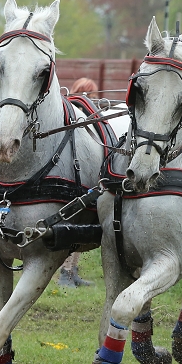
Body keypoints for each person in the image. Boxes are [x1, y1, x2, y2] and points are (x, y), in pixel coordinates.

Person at [57, 77, 99, 288]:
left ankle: (72, 272)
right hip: (72, 175)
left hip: (84, 173)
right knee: (71, 225)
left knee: (79, 225)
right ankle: (65, 273)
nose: (93, 99)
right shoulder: (72, 113)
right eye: (91, 95)